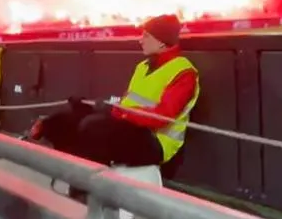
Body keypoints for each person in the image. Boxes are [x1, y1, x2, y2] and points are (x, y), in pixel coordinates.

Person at [31, 15, 199, 177]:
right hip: (131, 127)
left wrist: (115, 112)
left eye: (146, 36)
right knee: (66, 118)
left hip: (157, 141)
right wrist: (91, 107)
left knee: (94, 128)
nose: (140, 40)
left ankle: (87, 187)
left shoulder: (183, 72)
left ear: (162, 42)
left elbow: (162, 117)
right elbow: (128, 104)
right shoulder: (143, 67)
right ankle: (62, 165)